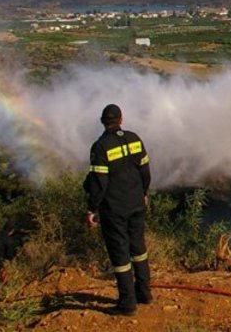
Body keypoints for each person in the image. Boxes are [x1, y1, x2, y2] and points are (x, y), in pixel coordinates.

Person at [84, 103, 152, 315]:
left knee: (120, 255)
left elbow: (99, 183)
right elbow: (145, 171)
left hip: (115, 210)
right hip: (136, 204)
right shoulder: (134, 138)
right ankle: (145, 294)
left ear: (103, 122)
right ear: (121, 119)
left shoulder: (101, 146)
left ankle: (127, 304)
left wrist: (91, 209)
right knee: (139, 249)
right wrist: (144, 193)